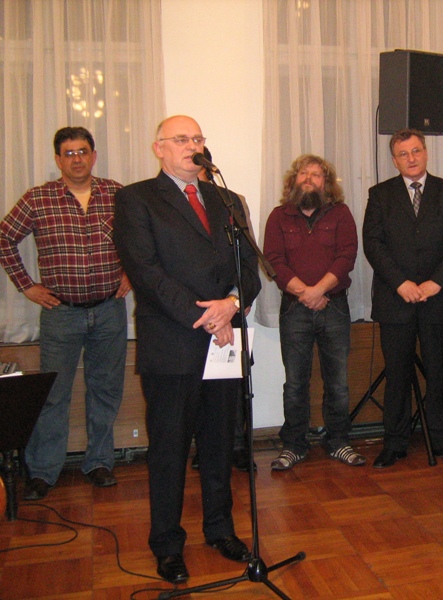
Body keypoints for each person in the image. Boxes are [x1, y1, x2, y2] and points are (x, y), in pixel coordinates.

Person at [113, 115, 261, 584]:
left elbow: (250, 267)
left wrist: (231, 305)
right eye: (181, 139)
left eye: (197, 138)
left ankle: (220, 529)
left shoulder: (227, 199)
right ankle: (167, 544)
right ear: (158, 147)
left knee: (219, 444)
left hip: (224, 342)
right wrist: (208, 317)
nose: (192, 146)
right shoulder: (136, 199)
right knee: (170, 450)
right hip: (173, 343)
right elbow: (146, 273)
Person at [0, 126, 130, 500]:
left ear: (94, 155)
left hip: (109, 309)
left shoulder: (117, 195)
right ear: (58, 159)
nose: (77, 159)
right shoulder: (38, 198)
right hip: (61, 313)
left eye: (83, 151)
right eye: (69, 153)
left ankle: (99, 462)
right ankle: (43, 471)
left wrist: (130, 273)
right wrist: (26, 285)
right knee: (53, 395)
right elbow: (5, 237)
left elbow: (142, 238)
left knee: (106, 390)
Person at [363, 128, 443, 469]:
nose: (411, 158)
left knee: (439, 372)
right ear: (394, 161)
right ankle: (395, 442)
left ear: (425, 152)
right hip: (396, 300)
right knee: (397, 374)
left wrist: (436, 282)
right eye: (403, 154)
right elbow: (373, 244)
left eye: (415, 151)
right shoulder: (379, 195)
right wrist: (401, 283)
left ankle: (442, 440)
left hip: (438, 299)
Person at [263, 154, 363, 470]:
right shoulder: (278, 216)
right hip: (294, 309)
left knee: (338, 383)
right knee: (295, 383)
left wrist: (319, 290)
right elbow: (273, 261)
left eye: (316, 174)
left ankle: (339, 441)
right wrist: (304, 293)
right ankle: (294, 445)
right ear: (293, 180)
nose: (309, 178)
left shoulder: (341, 213)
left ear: (326, 183)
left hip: (334, 306)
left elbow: (347, 256)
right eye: (303, 173)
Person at [191, 145, 254, 473]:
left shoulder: (232, 201)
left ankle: (239, 447)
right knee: (198, 387)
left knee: (234, 383)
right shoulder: (173, 205)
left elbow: (248, 257)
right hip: (193, 312)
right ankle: (206, 448)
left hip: (231, 306)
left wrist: (239, 298)